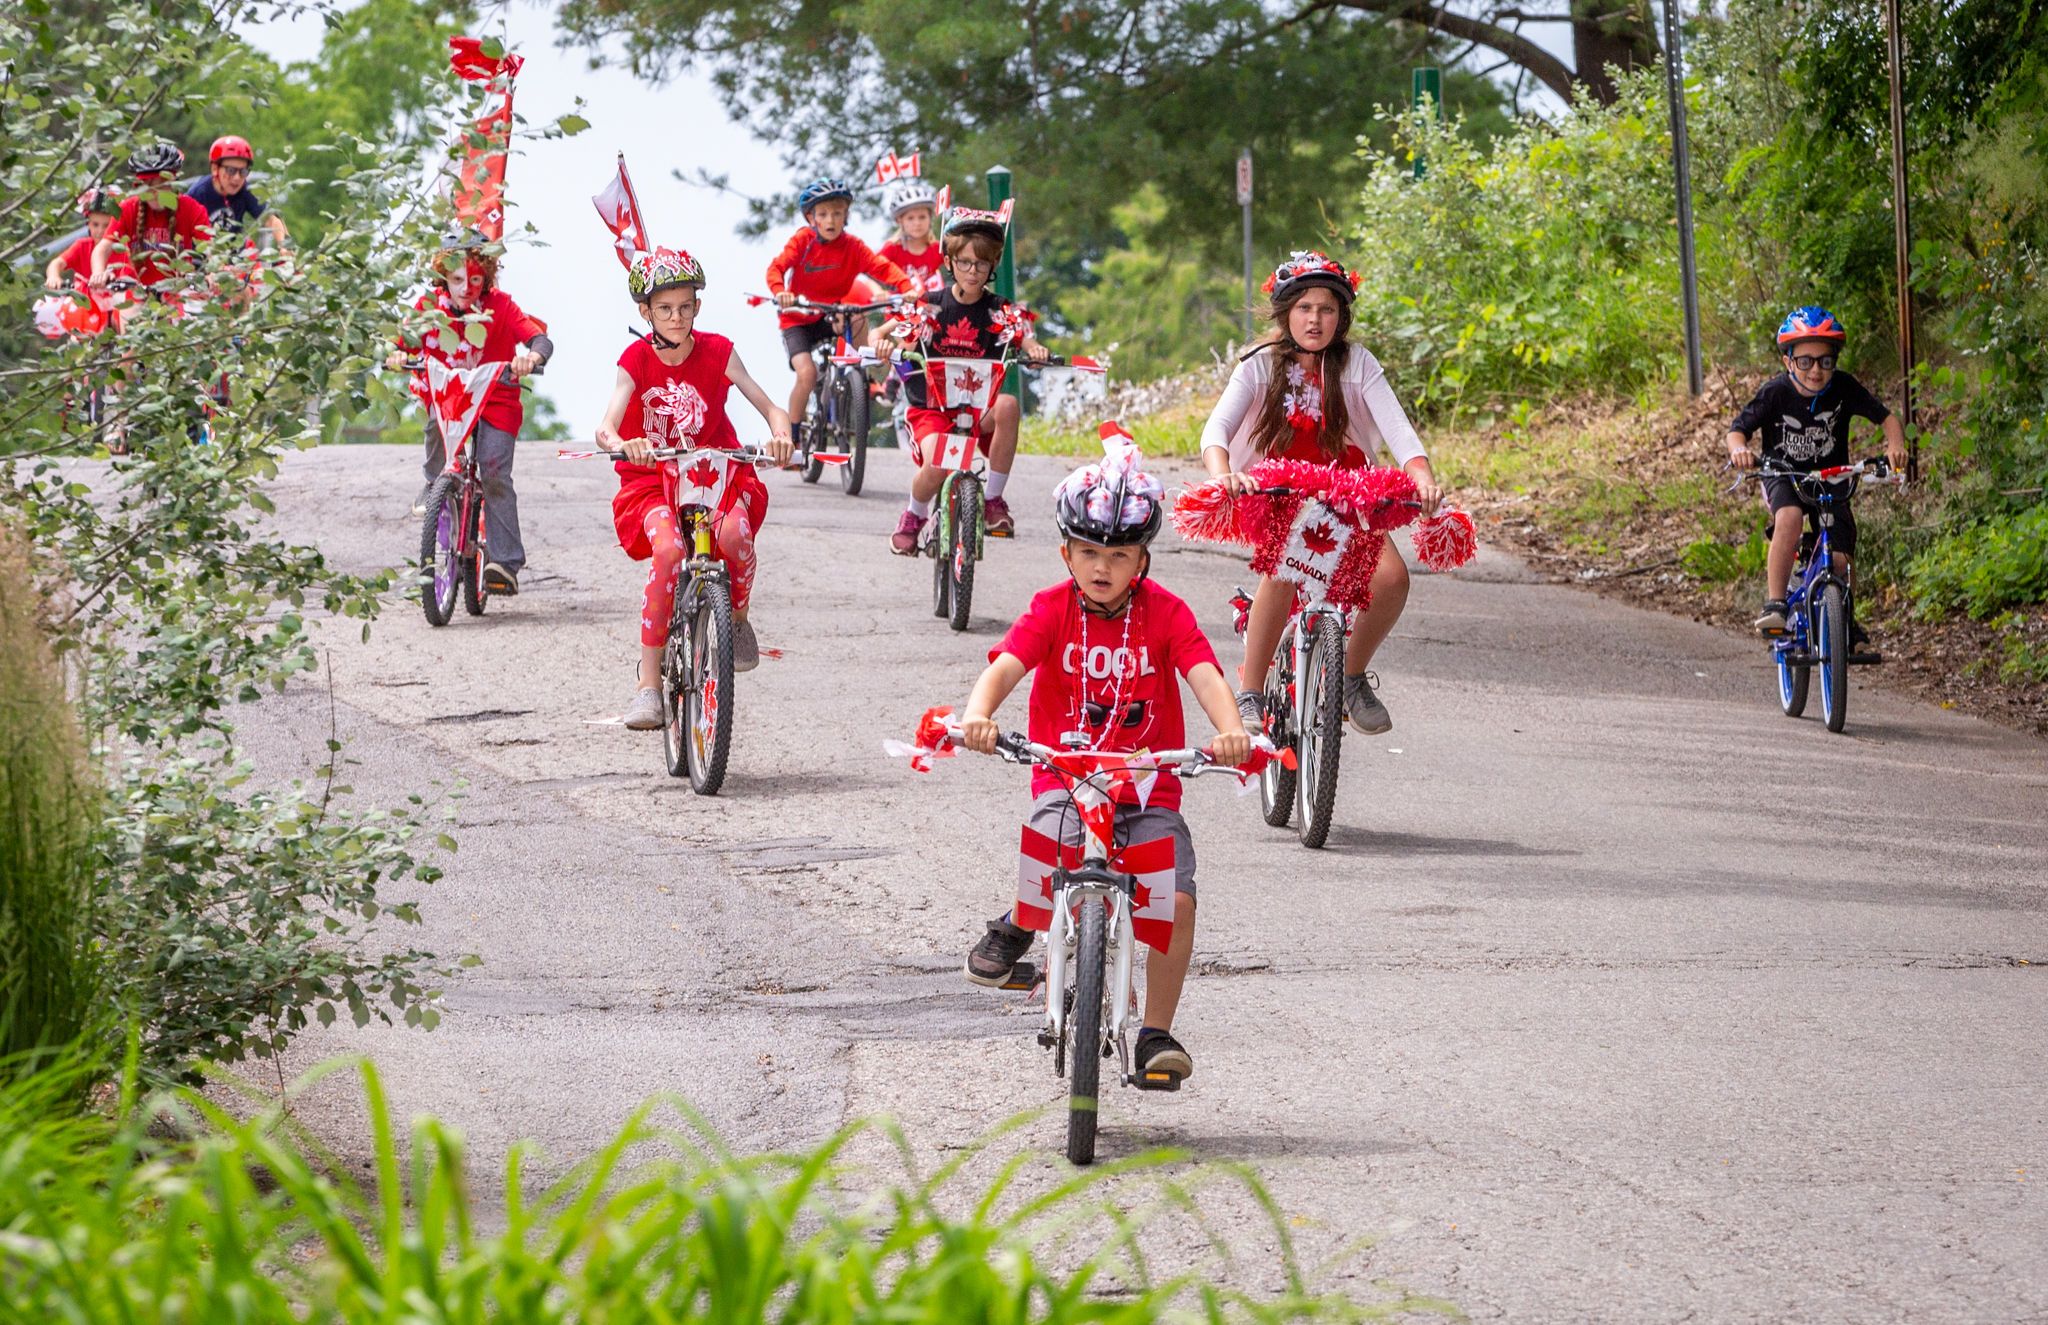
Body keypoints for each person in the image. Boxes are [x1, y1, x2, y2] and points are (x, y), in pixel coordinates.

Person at [956, 437, 1253, 1087]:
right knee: (1052, 844)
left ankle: (1155, 1032)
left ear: (1142, 559)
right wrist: (978, 715)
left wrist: (1231, 731)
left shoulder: (1166, 614)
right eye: (1088, 552)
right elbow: (1004, 668)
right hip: (1069, 771)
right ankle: (1023, 923)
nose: (1102, 567)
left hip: (1149, 785)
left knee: (1171, 895)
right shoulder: (1051, 608)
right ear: (1067, 553)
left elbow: (1204, 676)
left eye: (1119, 555)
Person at [1197, 250, 1443, 736]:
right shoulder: (1258, 365)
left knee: (1391, 579)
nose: (1315, 319)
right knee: (1290, 561)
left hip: (1348, 494)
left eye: (1327, 309)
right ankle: (1249, 690)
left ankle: (1351, 676)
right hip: (1279, 493)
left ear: (1341, 317)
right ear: (1286, 312)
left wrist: (1422, 477)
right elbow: (1216, 430)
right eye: (1305, 307)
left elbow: (1400, 432)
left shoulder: (1358, 364)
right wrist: (1222, 473)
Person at [592, 248, 794, 728]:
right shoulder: (635, 360)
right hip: (653, 482)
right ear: (646, 313)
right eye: (664, 308)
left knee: (733, 537)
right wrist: (627, 443)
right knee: (667, 553)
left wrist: (782, 436)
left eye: (685, 306)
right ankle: (647, 686)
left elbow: (771, 408)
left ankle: (737, 620)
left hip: (716, 477)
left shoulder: (720, 351)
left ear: (697, 307)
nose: (677, 317)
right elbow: (605, 428)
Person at [1727, 305, 1907, 661]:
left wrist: (1896, 446)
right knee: (1790, 519)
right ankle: (1777, 603)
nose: (1816, 370)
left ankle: (1845, 622)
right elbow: (1737, 430)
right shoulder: (1775, 393)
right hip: (1784, 475)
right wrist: (1740, 451)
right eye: (1805, 361)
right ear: (1788, 361)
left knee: (1840, 558)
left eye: (1825, 361)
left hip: (1833, 478)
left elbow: (1887, 419)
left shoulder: (1843, 388)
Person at [873, 203, 1047, 549]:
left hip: (977, 408)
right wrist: (879, 344)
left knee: (1009, 405)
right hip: (933, 408)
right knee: (941, 463)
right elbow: (882, 331)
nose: (973, 271)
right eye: (965, 262)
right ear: (950, 262)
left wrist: (1034, 349)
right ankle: (914, 513)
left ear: (992, 266)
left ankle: (994, 500)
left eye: (982, 263)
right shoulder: (930, 303)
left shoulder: (999, 309)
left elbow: (1025, 336)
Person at [399, 232, 551, 596]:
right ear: (442, 279)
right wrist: (396, 354)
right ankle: (435, 482)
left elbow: (539, 339)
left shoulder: (501, 306)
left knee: (495, 469)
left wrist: (532, 357)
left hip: (497, 397)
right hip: (451, 397)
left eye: (475, 279)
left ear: (487, 278)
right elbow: (402, 340)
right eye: (456, 280)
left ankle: (504, 562)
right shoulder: (428, 308)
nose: (466, 288)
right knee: (436, 423)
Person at [764, 177, 914, 463]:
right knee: (806, 374)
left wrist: (906, 289)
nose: (830, 220)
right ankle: (793, 438)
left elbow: (881, 268)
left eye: (837, 213)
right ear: (811, 218)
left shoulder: (853, 247)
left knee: (857, 318)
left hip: (829, 312)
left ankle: (859, 374)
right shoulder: (802, 241)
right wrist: (780, 292)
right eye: (822, 214)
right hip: (797, 318)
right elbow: (777, 267)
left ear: (846, 215)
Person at [90, 143, 212, 292]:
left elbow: (211, 248)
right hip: (135, 291)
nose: (154, 193)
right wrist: (98, 273)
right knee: (130, 314)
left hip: (178, 291)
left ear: (173, 183)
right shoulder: (128, 208)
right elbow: (103, 248)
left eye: (161, 185)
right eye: (147, 186)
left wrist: (213, 273)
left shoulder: (191, 208)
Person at [185, 135, 289, 244]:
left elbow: (271, 219)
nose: (237, 178)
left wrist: (285, 245)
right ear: (215, 169)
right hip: (199, 256)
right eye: (231, 170)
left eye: (243, 172)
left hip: (232, 255)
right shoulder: (197, 194)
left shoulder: (245, 191)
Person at [45, 189, 123, 290]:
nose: (100, 231)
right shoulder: (82, 246)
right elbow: (57, 263)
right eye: (95, 224)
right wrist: (53, 277)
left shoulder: (124, 250)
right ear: (88, 224)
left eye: (107, 226)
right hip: (83, 302)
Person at [877, 177, 943, 294]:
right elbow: (869, 271)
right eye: (910, 218)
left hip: (931, 308)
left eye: (922, 217)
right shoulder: (892, 248)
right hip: (899, 309)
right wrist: (878, 291)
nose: (917, 223)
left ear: (930, 219)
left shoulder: (938, 249)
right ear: (900, 221)